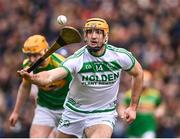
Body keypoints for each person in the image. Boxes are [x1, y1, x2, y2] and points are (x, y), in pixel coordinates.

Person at [17, 18, 144, 138]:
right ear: (85, 36)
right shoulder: (77, 59)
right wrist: (33, 78)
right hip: (74, 113)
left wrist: (133, 107)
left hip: (102, 114)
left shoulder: (119, 56)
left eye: (98, 32)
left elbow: (138, 73)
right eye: (89, 32)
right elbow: (50, 76)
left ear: (106, 37)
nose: (93, 36)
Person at [9, 35, 72, 138]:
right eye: (29, 55)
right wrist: (16, 112)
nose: (32, 59)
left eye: (35, 55)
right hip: (45, 108)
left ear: (46, 51)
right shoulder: (28, 65)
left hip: (67, 110)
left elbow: (76, 86)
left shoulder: (61, 64)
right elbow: (25, 87)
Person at [118, 70, 164, 138]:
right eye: (143, 81)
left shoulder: (155, 94)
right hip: (133, 128)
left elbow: (161, 106)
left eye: (147, 81)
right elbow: (122, 107)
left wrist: (159, 112)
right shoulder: (129, 94)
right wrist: (123, 114)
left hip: (149, 126)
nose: (145, 83)